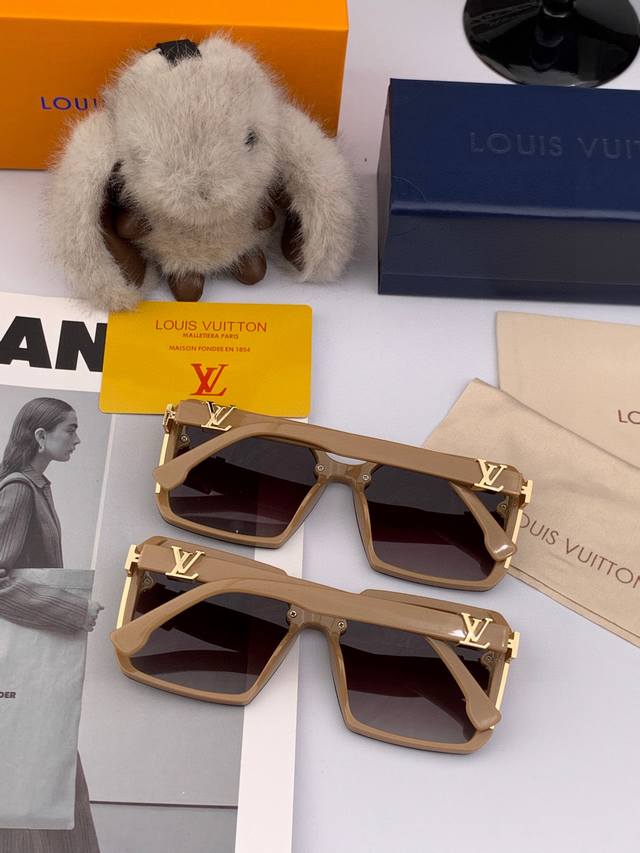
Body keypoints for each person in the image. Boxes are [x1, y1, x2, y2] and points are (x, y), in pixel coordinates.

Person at [0, 397, 101, 632]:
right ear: (41, 436)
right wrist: (75, 611)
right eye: (70, 430)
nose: (77, 440)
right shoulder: (19, 488)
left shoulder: (35, 487)